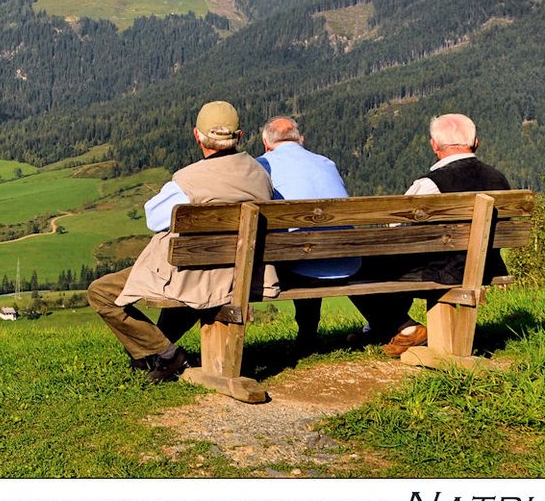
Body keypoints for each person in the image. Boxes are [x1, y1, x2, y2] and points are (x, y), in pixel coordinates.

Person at [87, 101, 277, 382]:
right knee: (188, 277)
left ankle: (166, 354)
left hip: (196, 275)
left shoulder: (189, 180)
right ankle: (159, 351)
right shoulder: (261, 175)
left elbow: (154, 218)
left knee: (101, 293)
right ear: (240, 136)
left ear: (197, 135)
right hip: (242, 275)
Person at [351, 113, 513, 356]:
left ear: (434, 146)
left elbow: (396, 229)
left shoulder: (431, 184)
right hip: (487, 267)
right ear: (476, 142)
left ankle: (404, 328)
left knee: (354, 266)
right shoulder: (499, 180)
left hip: (444, 270)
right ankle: (382, 327)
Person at [256, 116, 360, 350]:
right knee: (313, 243)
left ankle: (307, 334)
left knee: (297, 247)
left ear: (266, 142)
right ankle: (307, 333)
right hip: (347, 260)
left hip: (298, 263)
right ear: (301, 139)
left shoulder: (262, 165)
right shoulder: (326, 163)